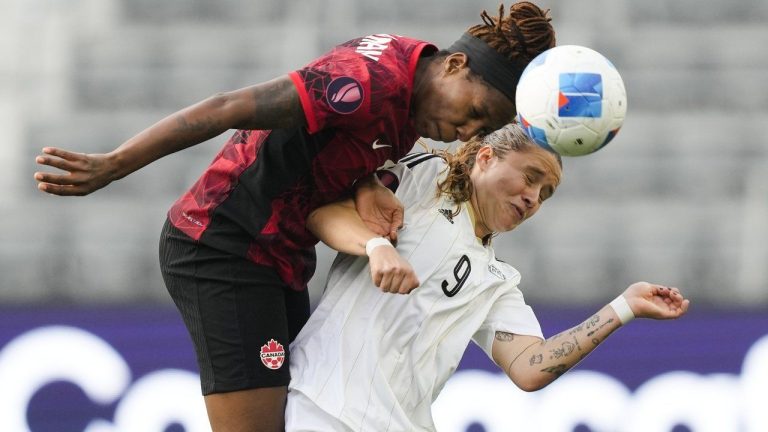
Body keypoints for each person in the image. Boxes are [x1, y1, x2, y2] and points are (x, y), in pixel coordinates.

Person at [33, 3, 556, 431]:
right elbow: (226, 107)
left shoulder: (414, 88)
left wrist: (366, 181)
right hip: (221, 245)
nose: (467, 131)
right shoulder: (366, 83)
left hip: (278, 257)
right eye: (474, 112)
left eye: (483, 128)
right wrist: (114, 163)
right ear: (455, 66)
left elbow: (334, 145)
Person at [288, 124, 690, 432]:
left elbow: (531, 367)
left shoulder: (497, 280)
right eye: (530, 177)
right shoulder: (425, 180)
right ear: (484, 158)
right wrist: (376, 246)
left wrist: (624, 306)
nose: (534, 198)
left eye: (546, 193)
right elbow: (320, 213)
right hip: (324, 408)